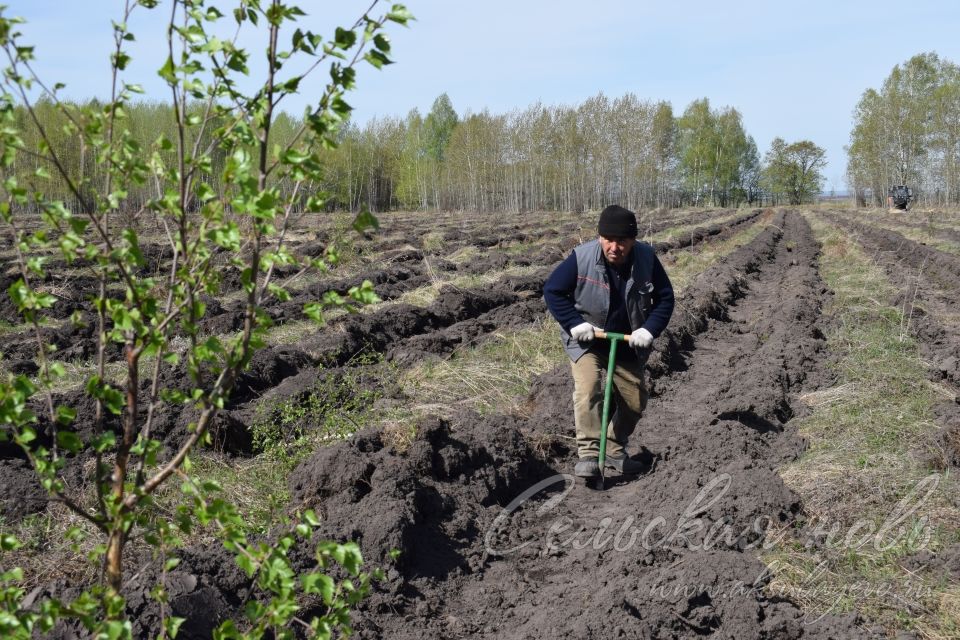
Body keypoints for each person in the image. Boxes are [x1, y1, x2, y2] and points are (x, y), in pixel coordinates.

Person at [543, 204, 674, 478]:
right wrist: (574, 323)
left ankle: (613, 447)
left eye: (622, 241)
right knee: (589, 389)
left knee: (635, 401)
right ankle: (590, 454)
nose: (615, 247)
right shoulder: (582, 258)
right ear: (600, 237)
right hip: (587, 340)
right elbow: (553, 291)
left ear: (633, 240)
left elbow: (665, 298)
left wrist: (649, 330)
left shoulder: (647, 259)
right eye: (609, 240)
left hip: (629, 341)